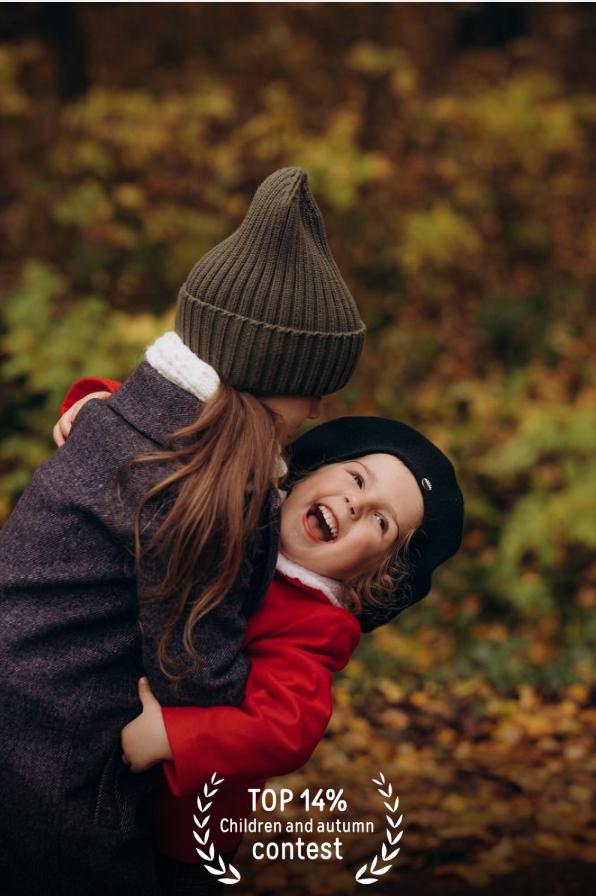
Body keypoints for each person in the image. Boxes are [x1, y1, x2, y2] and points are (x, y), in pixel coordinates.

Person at [0, 167, 365, 896]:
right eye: (312, 388)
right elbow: (192, 669)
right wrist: (274, 684)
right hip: (61, 763)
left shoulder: (123, 423)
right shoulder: (208, 492)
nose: (319, 409)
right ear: (265, 375)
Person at [59, 385, 464, 895]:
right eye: (357, 478)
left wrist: (174, 737)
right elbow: (171, 430)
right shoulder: (237, 493)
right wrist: (94, 406)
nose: (356, 502)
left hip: (183, 828)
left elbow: (285, 728)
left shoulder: (316, 625)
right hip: (91, 747)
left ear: (373, 576)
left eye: (382, 521)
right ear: (308, 471)